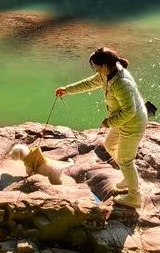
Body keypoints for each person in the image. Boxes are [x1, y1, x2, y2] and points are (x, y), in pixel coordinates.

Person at [55, 47, 148, 208]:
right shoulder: (106, 74)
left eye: (96, 67)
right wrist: (67, 90)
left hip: (133, 122)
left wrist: (109, 122)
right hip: (122, 120)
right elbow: (90, 83)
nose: (95, 70)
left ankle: (134, 197)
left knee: (126, 160)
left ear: (104, 66)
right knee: (110, 145)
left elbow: (130, 111)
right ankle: (129, 177)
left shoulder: (121, 83)